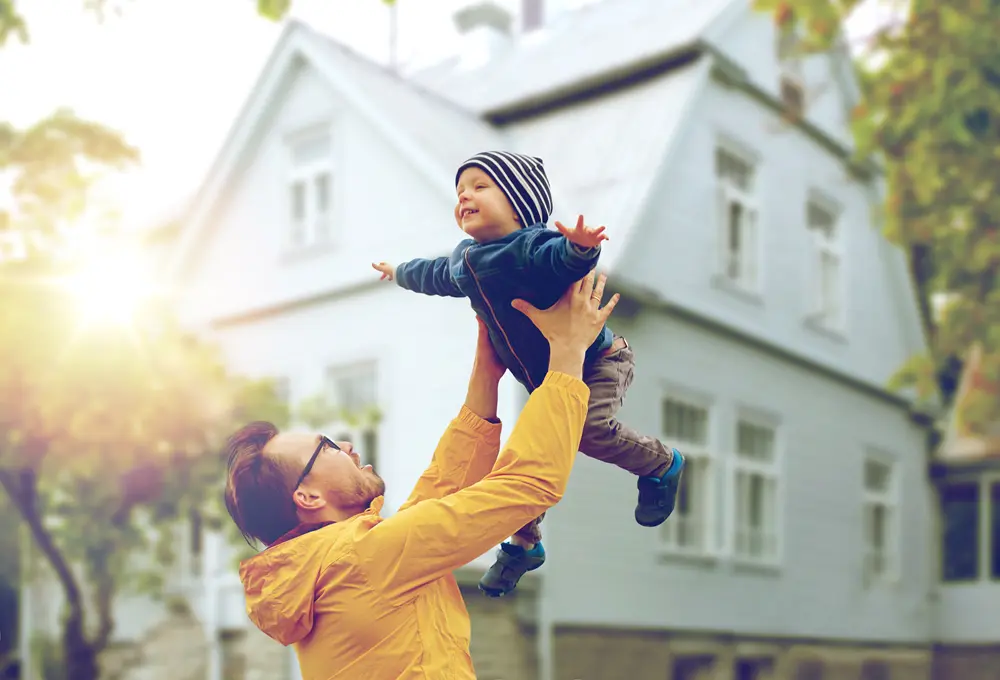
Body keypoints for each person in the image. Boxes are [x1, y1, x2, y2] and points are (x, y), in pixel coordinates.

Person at [225, 271, 617, 680]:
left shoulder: (330, 569)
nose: (346, 446)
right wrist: (568, 350)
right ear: (307, 497)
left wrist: (487, 367)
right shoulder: (363, 559)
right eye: (326, 445)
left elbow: (438, 494)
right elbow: (530, 482)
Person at [371, 150, 685, 597]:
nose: (464, 197)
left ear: (519, 203)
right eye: (460, 191)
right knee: (526, 456)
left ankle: (661, 464)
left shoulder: (531, 245)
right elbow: (433, 272)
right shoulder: (464, 259)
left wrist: (580, 246)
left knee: (588, 432)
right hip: (548, 381)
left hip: (598, 360)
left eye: (480, 186)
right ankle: (523, 545)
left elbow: (562, 259)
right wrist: (400, 271)